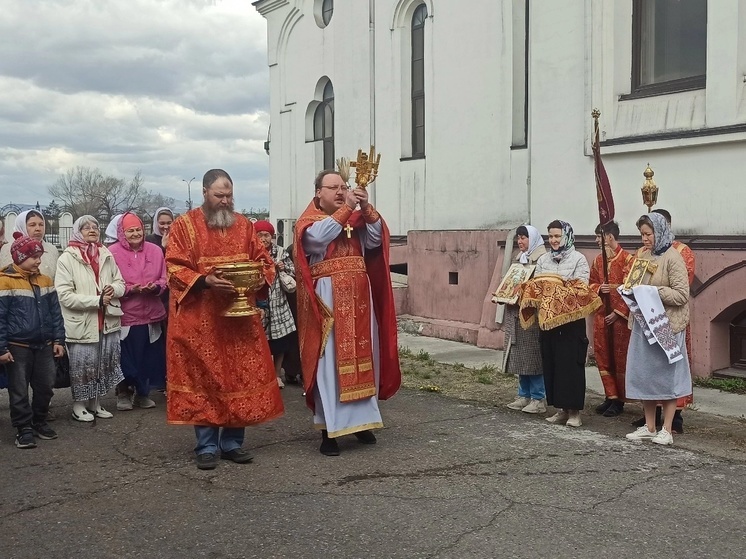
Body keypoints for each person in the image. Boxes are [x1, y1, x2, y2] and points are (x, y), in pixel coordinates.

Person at [165, 169, 283, 471]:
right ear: (205, 192)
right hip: (200, 320)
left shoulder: (244, 225)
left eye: (229, 195)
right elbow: (174, 268)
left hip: (239, 320)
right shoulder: (184, 226)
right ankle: (206, 446)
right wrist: (206, 281)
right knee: (204, 378)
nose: (225, 200)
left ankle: (232, 443)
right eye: (219, 195)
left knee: (238, 375)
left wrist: (256, 278)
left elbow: (264, 262)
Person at [295, 170, 401, 456]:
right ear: (318, 192)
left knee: (365, 357)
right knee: (329, 363)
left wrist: (365, 208)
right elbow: (319, 240)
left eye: (344, 187)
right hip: (328, 302)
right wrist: (349, 207)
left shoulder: (355, 219)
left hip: (359, 299)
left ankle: (361, 422)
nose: (340, 191)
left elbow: (376, 241)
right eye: (333, 187)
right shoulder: (308, 223)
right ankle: (329, 429)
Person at [519, 220, 598, 428]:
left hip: (571, 323)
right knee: (552, 364)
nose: (554, 240)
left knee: (570, 366)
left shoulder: (579, 259)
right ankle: (561, 410)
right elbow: (537, 286)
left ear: (567, 236)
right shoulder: (544, 259)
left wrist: (555, 289)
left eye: (557, 236)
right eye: (551, 236)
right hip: (548, 322)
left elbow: (581, 288)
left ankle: (574, 413)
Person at [624, 213, 692, 446]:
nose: (644, 239)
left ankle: (667, 428)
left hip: (667, 326)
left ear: (660, 232)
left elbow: (682, 295)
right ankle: (650, 426)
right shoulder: (642, 255)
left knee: (667, 377)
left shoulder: (674, 257)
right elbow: (635, 282)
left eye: (648, 234)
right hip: (644, 325)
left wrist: (654, 292)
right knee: (645, 375)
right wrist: (629, 290)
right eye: (642, 234)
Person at [55, 215, 126, 422]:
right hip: (82, 322)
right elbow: (65, 295)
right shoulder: (67, 258)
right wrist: (96, 300)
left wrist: (114, 288)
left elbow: (121, 282)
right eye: (86, 227)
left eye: (95, 227)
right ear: (78, 231)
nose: (92, 230)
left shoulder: (105, 254)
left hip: (107, 321)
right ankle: (78, 406)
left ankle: (95, 403)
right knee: (82, 366)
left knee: (102, 363)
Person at [0, 233, 66, 448]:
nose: (39, 261)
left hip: (45, 344)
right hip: (17, 346)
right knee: (18, 389)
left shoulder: (45, 280)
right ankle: (23, 428)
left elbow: (55, 313)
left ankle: (39, 420)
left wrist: (58, 339)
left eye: (39, 256)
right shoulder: (4, 282)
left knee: (46, 386)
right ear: (20, 257)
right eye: (34, 256)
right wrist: (1, 347)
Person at [108, 212, 167, 410]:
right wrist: (129, 289)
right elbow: (108, 283)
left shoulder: (155, 251)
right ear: (122, 233)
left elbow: (164, 279)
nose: (135, 234)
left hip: (150, 312)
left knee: (147, 357)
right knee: (125, 357)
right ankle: (123, 393)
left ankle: (143, 393)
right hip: (126, 314)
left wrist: (155, 287)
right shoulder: (112, 252)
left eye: (138, 230)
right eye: (130, 231)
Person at [589, 221, 634, 417]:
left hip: (620, 319)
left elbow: (632, 289)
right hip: (601, 316)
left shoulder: (628, 259)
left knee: (620, 358)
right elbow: (590, 284)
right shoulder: (597, 261)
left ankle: (621, 400)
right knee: (603, 356)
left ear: (609, 237)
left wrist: (618, 312)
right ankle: (610, 396)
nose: (597, 240)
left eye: (599, 236)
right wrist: (599, 288)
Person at [502, 225, 547, 414]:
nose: (520, 241)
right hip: (515, 313)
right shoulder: (518, 258)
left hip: (531, 315)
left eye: (524, 238)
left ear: (533, 239)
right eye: (518, 238)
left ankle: (539, 398)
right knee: (519, 355)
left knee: (533, 357)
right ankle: (524, 394)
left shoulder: (541, 259)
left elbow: (540, 286)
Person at [254, 220, 298, 389]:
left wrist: (282, 268)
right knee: (260, 342)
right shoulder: (251, 253)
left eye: (266, 235)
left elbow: (294, 271)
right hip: (259, 304)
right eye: (260, 235)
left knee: (280, 343)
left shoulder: (280, 252)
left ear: (272, 237)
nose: (264, 239)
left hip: (279, 303)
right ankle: (261, 376)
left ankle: (277, 374)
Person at [0, 210, 60, 279]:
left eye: (41, 225)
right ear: (22, 226)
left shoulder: (52, 250)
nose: (38, 229)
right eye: (32, 225)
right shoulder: (8, 249)